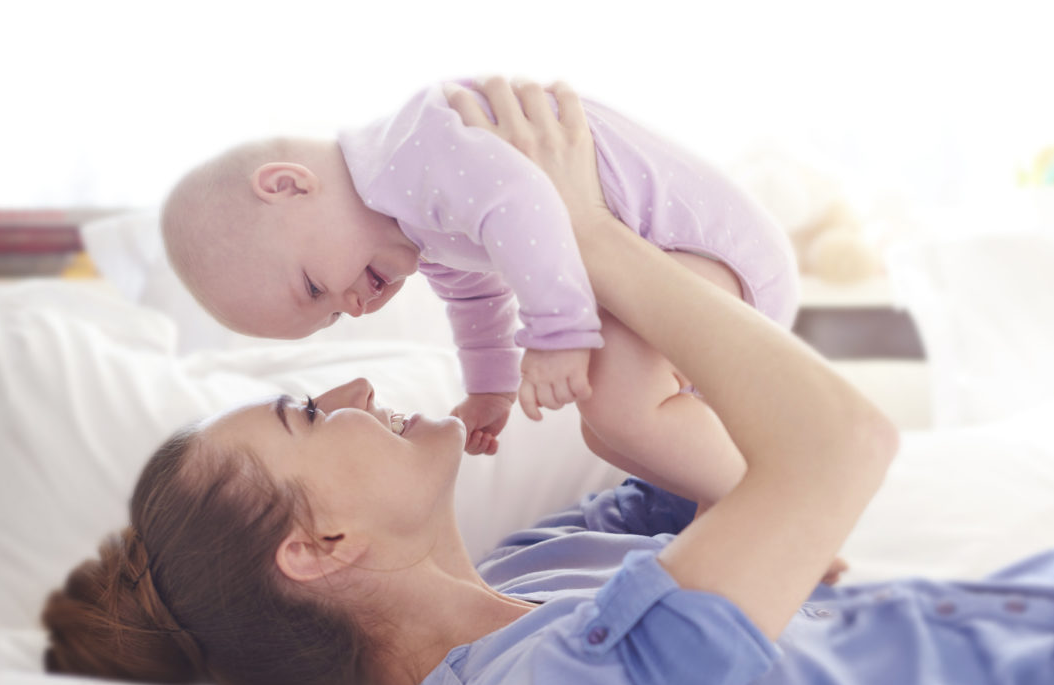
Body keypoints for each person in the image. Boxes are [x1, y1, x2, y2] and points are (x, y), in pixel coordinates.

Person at [43, 80, 1054, 685]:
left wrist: (596, 252)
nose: (355, 383)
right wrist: (590, 235)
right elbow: (836, 443)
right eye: (306, 410)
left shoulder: (545, 559)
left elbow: (745, 460)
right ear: (319, 547)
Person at [158, 76, 799, 521]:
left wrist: (559, 336)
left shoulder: (416, 147)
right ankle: (726, 495)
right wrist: (490, 386)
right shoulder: (416, 221)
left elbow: (526, 207)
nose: (349, 307)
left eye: (314, 287)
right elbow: (475, 292)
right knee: (606, 435)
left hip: (708, 255)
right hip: (678, 279)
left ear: (289, 185)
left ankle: (771, 511)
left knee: (620, 405)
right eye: (329, 316)